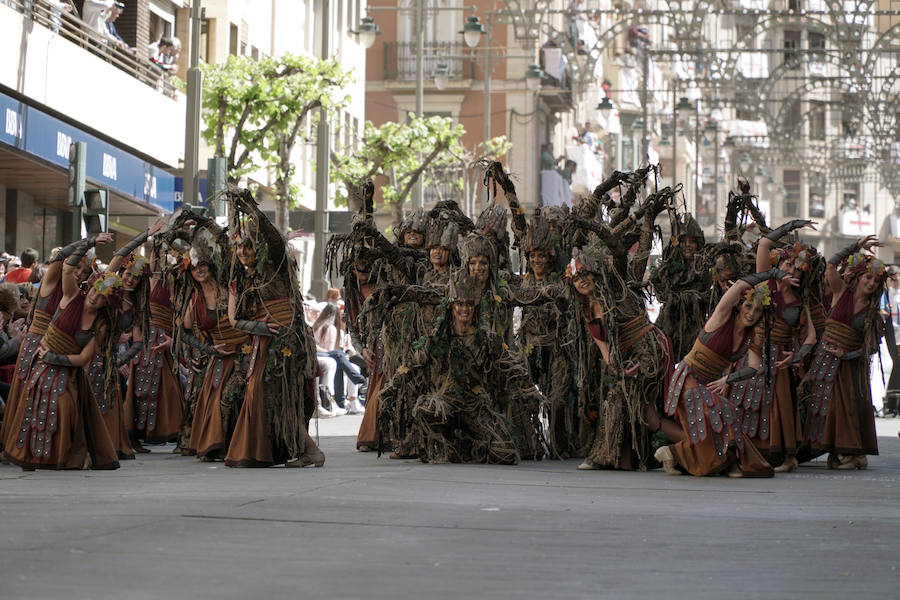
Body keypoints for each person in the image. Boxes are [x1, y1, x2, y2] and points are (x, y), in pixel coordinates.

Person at [654, 270, 793, 478]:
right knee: (717, 411)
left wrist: (728, 378)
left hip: (708, 385)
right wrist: (775, 272)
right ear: (739, 306)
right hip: (687, 378)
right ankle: (725, 462)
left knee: (727, 415)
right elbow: (738, 286)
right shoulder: (721, 316)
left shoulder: (752, 336)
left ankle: (673, 453)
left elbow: (754, 367)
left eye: (757, 310)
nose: (751, 313)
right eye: (748, 306)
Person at [225, 190, 324, 468]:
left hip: (288, 342)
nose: (243, 252)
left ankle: (309, 450)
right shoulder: (240, 281)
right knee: (269, 396)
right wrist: (259, 326)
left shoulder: (277, 268)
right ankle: (297, 450)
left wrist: (253, 211)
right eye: (239, 247)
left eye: (249, 246)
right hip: (261, 344)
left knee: (283, 397)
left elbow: (273, 240)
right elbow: (233, 320)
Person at [3, 258, 122, 471]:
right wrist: (89, 242)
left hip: (66, 367)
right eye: (94, 291)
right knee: (32, 400)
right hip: (40, 356)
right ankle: (31, 454)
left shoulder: (101, 323)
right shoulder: (71, 295)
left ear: (107, 304)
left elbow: (84, 357)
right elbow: (66, 267)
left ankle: (65, 455)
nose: (95, 296)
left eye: (102, 297)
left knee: (65, 405)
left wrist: (53, 358)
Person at [806, 236, 883, 469]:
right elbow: (831, 264)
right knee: (826, 407)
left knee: (847, 407)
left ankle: (856, 454)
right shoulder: (840, 292)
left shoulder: (873, 313)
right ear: (859, 277)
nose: (870, 283)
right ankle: (836, 452)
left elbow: (870, 347)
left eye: (876, 281)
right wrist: (856, 246)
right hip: (824, 361)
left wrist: (846, 356)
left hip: (850, 367)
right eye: (868, 277)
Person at [313, 304, 366, 415]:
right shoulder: (330, 328)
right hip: (322, 355)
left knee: (341, 358)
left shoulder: (316, 326)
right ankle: (352, 396)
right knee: (338, 355)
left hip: (318, 354)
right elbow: (330, 349)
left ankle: (348, 399)